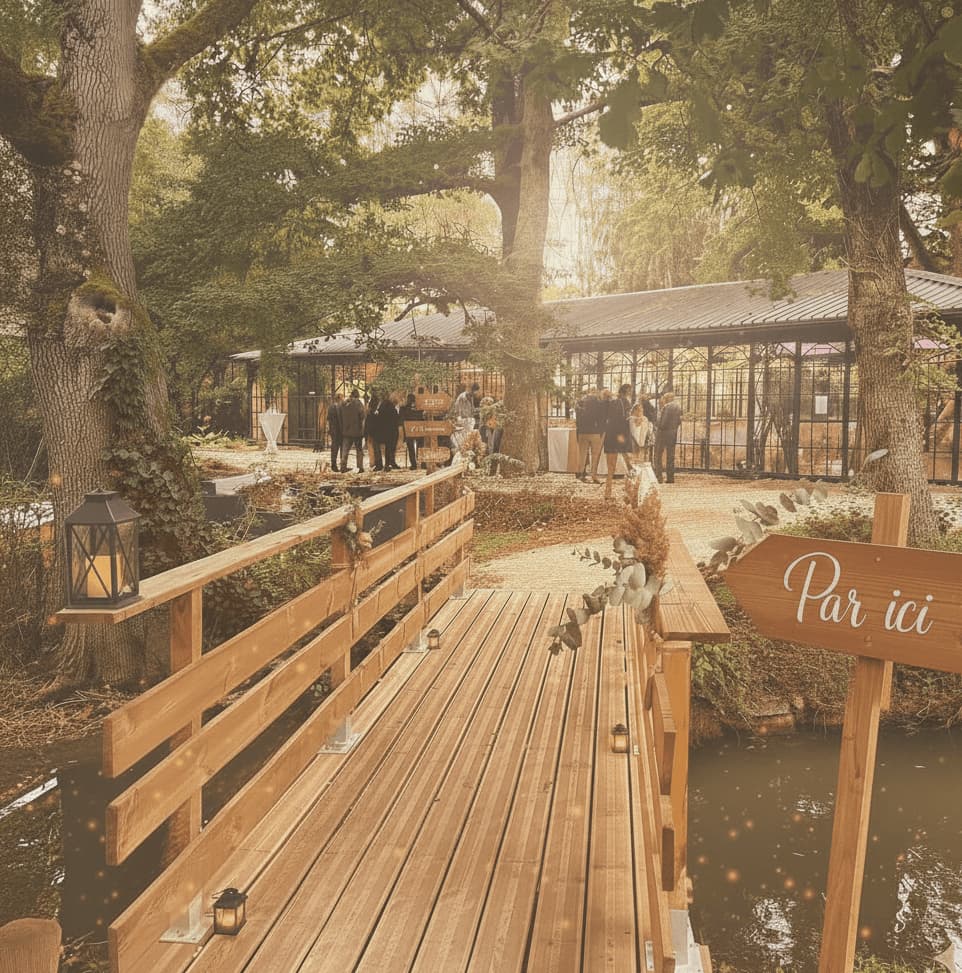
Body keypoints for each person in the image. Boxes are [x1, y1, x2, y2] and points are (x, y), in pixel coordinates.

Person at [603, 383, 634, 499]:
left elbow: (606, 418)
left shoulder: (612, 402)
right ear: (627, 391)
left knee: (611, 467)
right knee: (629, 464)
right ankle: (632, 491)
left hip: (611, 435)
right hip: (621, 436)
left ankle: (607, 492)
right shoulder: (626, 403)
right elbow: (626, 419)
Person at [575, 387, 606, 483]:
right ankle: (594, 476)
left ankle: (580, 473)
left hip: (582, 432)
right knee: (595, 455)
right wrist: (601, 431)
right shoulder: (598, 403)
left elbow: (577, 420)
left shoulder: (580, 403)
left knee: (582, 454)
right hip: (595, 432)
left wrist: (579, 430)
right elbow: (602, 419)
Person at [654, 391, 684, 484]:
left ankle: (659, 477)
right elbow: (679, 421)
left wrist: (657, 423)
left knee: (658, 455)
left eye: (664, 398)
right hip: (672, 434)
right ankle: (670, 478)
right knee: (670, 456)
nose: (663, 400)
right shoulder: (678, 407)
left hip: (662, 434)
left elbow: (662, 423)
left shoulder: (666, 407)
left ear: (667, 399)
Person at [339, 389, 366, 472]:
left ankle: (343, 466)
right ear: (357, 395)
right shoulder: (359, 404)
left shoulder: (344, 404)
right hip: (357, 431)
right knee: (359, 450)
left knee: (345, 449)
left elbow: (340, 414)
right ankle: (360, 467)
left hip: (346, 430)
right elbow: (362, 416)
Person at [378, 393, 402, 470]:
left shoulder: (382, 405)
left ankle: (388, 463)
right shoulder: (391, 408)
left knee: (387, 448)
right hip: (392, 430)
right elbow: (395, 418)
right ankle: (389, 464)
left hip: (384, 429)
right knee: (391, 448)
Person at [399, 393, 422, 469]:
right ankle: (420, 463)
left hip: (410, 430)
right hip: (417, 429)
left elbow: (401, 420)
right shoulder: (419, 409)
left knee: (411, 447)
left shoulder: (403, 409)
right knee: (418, 446)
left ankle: (414, 464)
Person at [365, 391, 384, 470]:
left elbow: (368, 423)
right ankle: (378, 463)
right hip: (376, 432)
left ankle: (378, 464)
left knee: (376, 448)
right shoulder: (377, 412)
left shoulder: (371, 413)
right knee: (376, 448)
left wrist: (367, 433)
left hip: (373, 432)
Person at [327, 392, 344, 472]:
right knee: (342, 448)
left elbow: (328, 419)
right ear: (340, 398)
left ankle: (334, 464)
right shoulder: (342, 407)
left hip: (333, 430)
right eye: (342, 398)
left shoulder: (330, 407)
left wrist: (329, 429)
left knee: (334, 448)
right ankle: (342, 465)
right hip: (340, 430)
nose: (343, 399)